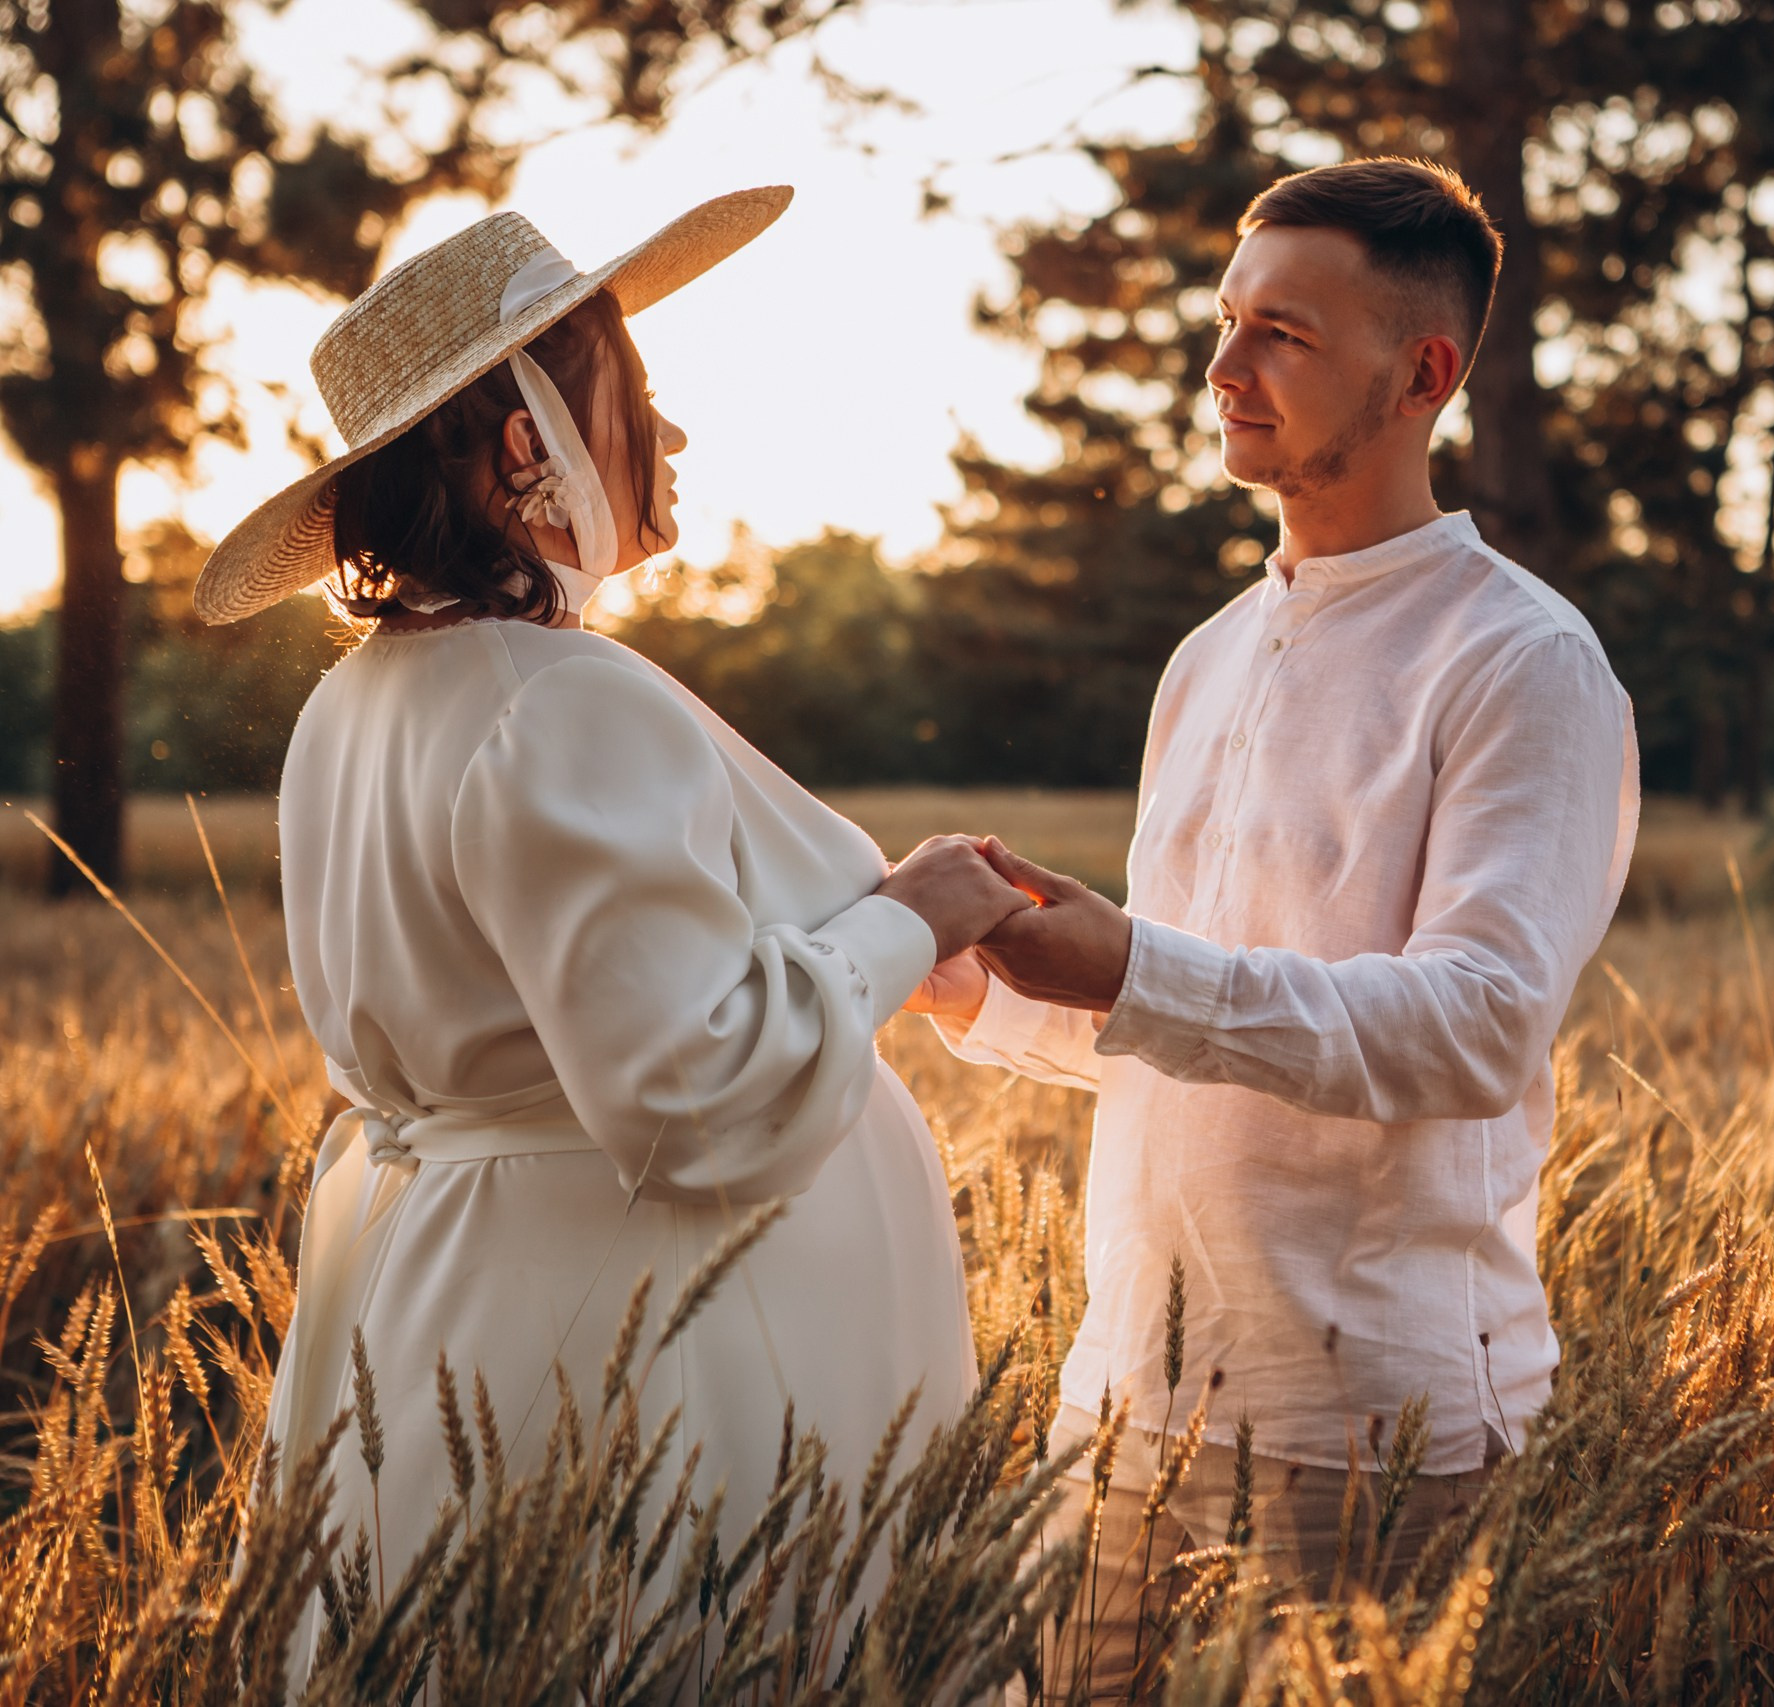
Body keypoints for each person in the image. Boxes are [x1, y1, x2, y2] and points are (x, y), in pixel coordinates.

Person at [190, 189, 1027, 1659]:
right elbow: (694, 1091)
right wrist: (909, 918)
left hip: (484, 1311)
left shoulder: (353, 704)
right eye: (637, 392)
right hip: (642, 1364)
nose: (673, 435)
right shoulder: (556, 697)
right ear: (529, 443)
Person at [907, 157, 1640, 1696]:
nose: (1222, 369)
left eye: (1283, 336)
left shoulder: (1525, 666)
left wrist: (1133, 966)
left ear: (1423, 371)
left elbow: (1476, 1024)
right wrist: (982, 992)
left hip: (1365, 1437)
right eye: (1229, 322)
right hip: (1117, 1415)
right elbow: (1180, 1034)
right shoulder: (1208, 660)